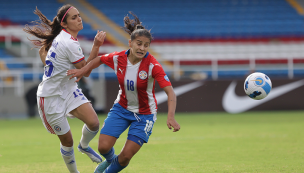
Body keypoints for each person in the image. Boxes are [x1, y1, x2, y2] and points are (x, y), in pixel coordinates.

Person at [67, 12, 181, 173]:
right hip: (121, 109)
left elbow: (170, 93)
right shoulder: (118, 58)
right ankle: (111, 160)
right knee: (103, 147)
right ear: (130, 43)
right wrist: (83, 71)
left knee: (126, 156)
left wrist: (171, 117)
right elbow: (99, 59)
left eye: (146, 45)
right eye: (138, 43)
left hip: (144, 115)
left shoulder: (153, 66)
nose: (142, 48)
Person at [23, 5, 107, 173]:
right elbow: (86, 71)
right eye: (74, 17)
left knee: (94, 123)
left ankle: (83, 146)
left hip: (68, 89)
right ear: (65, 24)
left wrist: (51, 67)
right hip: (50, 97)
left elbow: (42, 50)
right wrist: (96, 46)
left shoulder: (64, 37)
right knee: (67, 141)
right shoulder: (68, 42)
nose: (79, 19)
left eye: (79, 15)